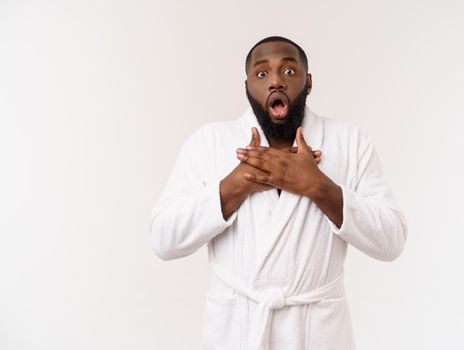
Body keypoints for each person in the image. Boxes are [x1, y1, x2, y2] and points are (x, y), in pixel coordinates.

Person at [149, 36, 407, 350]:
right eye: (261, 74)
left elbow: (391, 241)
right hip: (238, 331)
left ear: (308, 82)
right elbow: (163, 239)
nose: (275, 81)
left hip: (317, 333)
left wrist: (318, 186)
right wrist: (235, 185)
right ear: (247, 87)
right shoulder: (208, 142)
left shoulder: (350, 141)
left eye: (288, 71)